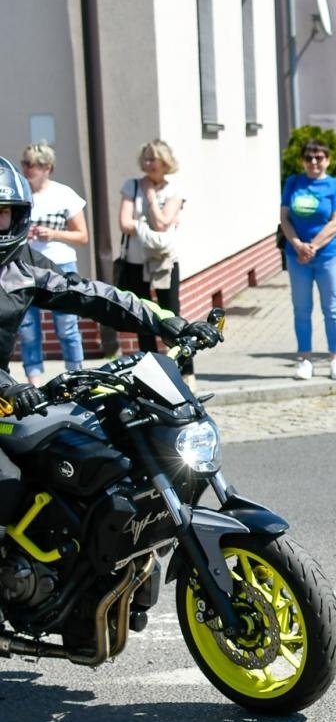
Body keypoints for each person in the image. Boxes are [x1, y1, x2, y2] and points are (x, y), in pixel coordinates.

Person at [0, 156, 221, 520]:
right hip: (4, 392)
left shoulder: (23, 266)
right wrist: (7, 387)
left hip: (6, 395)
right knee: (7, 492)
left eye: (3, 213)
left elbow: (91, 294)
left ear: (19, 215)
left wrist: (167, 323)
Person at [16, 143, 88, 386]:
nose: (27, 169)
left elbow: (82, 236)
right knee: (27, 328)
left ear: (48, 167)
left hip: (61, 265)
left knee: (67, 325)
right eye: (24, 163)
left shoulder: (63, 194)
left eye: (32, 164)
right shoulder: (20, 193)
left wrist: (53, 234)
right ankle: (34, 381)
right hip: (25, 265)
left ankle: (76, 376)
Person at [116, 139, 190, 376]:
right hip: (136, 262)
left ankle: (183, 370)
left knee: (171, 314)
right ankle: (152, 371)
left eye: (152, 159)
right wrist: (147, 225)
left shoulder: (174, 190)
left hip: (165, 262)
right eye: (145, 158)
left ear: (164, 161)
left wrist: (149, 198)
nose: (147, 164)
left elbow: (161, 222)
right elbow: (124, 223)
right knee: (142, 315)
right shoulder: (132, 186)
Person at [280, 139, 336, 381]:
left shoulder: (335, 186)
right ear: (303, 161)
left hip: (328, 255)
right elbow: (284, 218)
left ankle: (335, 359)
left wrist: (314, 246)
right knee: (301, 309)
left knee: (332, 308)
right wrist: (298, 245)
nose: (314, 162)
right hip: (297, 255)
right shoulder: (293, 183)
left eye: (319, 157)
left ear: (327, 160)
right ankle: (305, 359)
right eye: (309, 158)